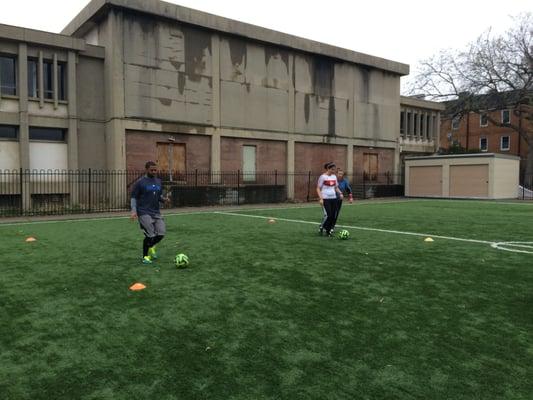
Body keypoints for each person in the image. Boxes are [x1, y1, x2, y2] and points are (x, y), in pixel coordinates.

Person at [130, 161, 169, 264]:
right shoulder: (140, 182)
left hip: (156, 212)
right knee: (150, 236)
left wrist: (164, 200)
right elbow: (133, 197)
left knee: (161, 233)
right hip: (143, 212)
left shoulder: (158, 181)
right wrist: (133, 211)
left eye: (155, 170)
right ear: (146, 169)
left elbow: (158, 196)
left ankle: (151, 246)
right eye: (151, 170)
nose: (154, 171)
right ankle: (145, 257)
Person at [317, 162, 343, 237]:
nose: (333, 171)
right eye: (332, 169)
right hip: (325, 198)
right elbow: (318, 188)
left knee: (333, 215)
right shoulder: (322, 177)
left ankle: (328, 232)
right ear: (328, 169)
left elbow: (336, 187)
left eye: (334, 169)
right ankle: (324, 227)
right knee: (329, 215)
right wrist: (321, 198)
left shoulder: (334, 177)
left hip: (333, 198)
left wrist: (340, 193)